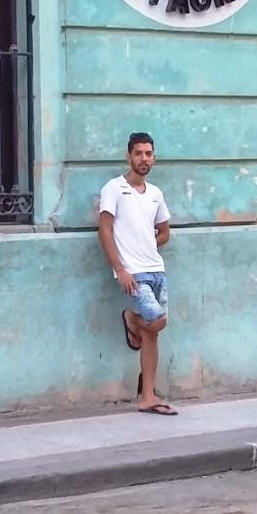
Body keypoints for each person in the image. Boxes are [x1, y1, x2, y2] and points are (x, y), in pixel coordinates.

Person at [97, 132, 176, 416]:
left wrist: (147, 243)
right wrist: (120, 268)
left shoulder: (155, 193)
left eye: (149, 154)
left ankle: (148, 396)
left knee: (152, 334)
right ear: (129, 156)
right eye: (139, 153)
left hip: (157, 270)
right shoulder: (114, 188)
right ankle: (130, 317)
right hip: (133, 273)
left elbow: (165, 232)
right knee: (156, 321)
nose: (144, 159)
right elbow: (104, 230)